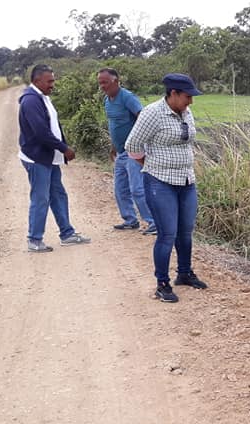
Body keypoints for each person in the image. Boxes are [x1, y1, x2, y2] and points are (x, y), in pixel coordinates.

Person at [125, 73, 208, 303]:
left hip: (186, 181)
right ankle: (162, 284)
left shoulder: (186, 112)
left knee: (185, 231)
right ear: (173, 93)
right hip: (160, 181)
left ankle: (184, 273)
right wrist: (150, 164)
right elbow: (132, 145)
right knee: (167, 234)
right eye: (187, 96)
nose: (190, 101)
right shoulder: (152, 113)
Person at [18, 64, 90, 252]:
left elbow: (52, 126)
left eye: (53, 80)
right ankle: (34, 240)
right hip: (37, 158)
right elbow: (41, 132)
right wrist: (64, 148)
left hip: (48, 157)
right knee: (41, 198)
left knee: (58, 195)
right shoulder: (31, 101)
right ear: (37, 81)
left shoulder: (42, 97)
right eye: (49, 81)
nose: (53, 84)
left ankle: (67, 234)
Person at [96, 68, 156, 235]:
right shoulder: (107, 100)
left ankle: (154, 222)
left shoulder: (127, 97)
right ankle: (130, 220)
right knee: (120, 189)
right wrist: (113, 147)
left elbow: (143, 118)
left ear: (115, 81)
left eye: (105, 82)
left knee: (137, 189)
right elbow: (114, 125)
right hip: (121, 152)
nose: (102, 86)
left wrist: (140, 144)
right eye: (100, 83)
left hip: (134, 151)